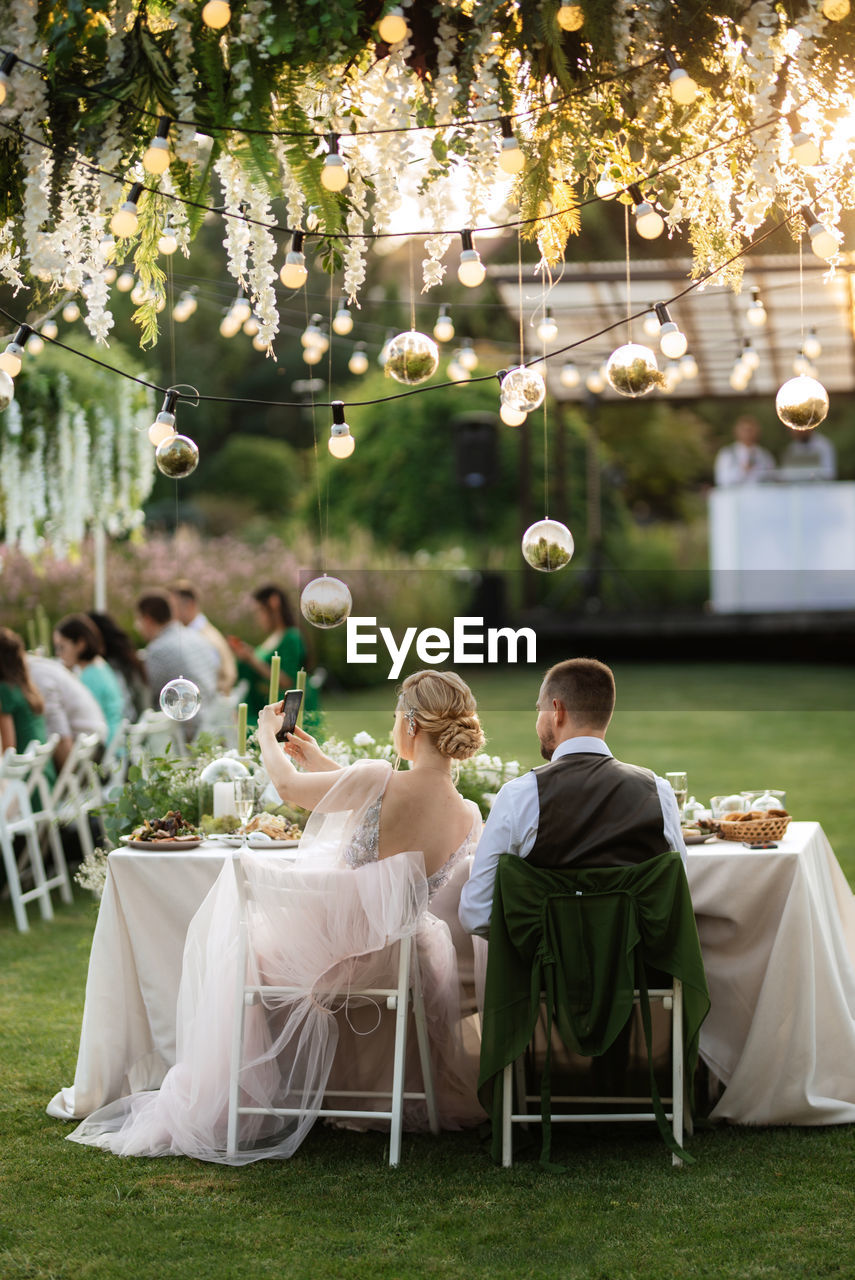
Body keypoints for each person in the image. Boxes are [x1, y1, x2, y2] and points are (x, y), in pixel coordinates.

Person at [68, 670, 486, 1163]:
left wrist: (267, 735)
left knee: (237, 957)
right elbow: (378, 799)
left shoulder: (379, 777)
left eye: (398, 716)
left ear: (412, 727)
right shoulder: (467, 814)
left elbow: (290, 789)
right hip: (400, 960)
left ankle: (245, 1099)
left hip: (335, 955)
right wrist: (319, 762)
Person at [459, 658, 686, 938]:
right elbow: (678, 899)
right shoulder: (659, 792)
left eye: (539, 709)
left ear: (557, 711)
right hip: (638, 977)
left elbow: (477, 915)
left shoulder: (520, 795)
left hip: (545, 978)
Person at [134, 591, 219, 738]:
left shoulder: (158, 650)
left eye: (138, 620)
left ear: (147, 620)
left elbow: (147, 696)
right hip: (210, 717)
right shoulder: (195, 636)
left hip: (186, 728)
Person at [227, 585, 315, 726]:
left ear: (274, 606)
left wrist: (252, 659)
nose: (258, 618)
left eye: (260, 611)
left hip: (285, 712)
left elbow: (287, 681)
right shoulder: (273, 638)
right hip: (262, 706)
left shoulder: (291, 637)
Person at [53, 615, 125, 748]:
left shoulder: (89, 677)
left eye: (62, 647)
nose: (58, 654)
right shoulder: (100, 666)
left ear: (80, 644)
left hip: (106, 745)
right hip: (117, 741)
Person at [28, 654, 107, 769]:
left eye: (61, 648)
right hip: (95, 744)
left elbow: (59, 734)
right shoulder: (42, 667)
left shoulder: (38, 676)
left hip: (88, 756)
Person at [168, 580, 237, 696]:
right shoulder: (202, 632)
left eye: (172, 607)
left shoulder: (204, 638)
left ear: (189, 605)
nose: (170, 613)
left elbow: (218, 680)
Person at [86, 612, 150, 721]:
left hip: (128, 729)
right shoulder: (127, 659)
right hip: (140, 725)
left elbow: (122, 711)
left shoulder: (108, 669)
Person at [0, 628, 51, 757]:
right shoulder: (26, 687)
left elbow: (8, 748)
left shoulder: (4, 691)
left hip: (23, 772)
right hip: (41, 771)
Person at [713, 415, 776, 487]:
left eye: (751, 430)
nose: (748, 433)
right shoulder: (727, 454)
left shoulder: (765, 455)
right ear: (736, 431)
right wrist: (742, 471)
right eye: (744, 430)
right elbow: (721, 480)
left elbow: (772, 478)